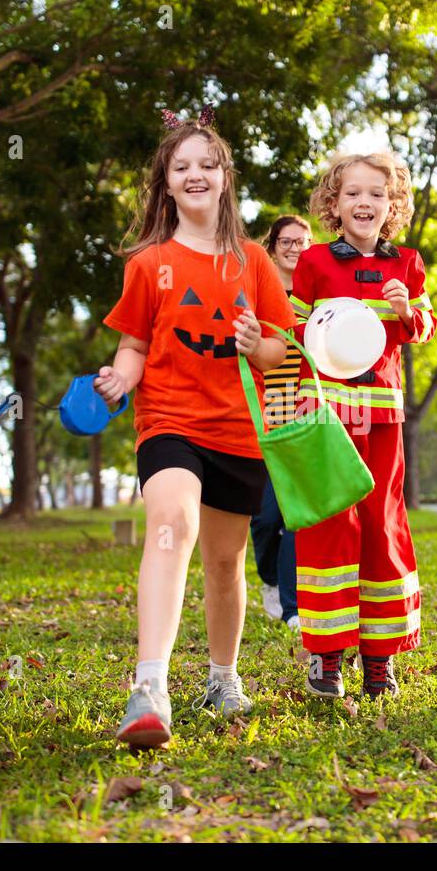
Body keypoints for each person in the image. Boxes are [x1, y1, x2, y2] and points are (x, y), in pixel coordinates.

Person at [95, 108, 295, 748]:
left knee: (224, 561)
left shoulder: (256, 261)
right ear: (167, 182)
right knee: (170, 526)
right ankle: (149, 686)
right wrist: (123, 377)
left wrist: (256, 341)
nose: (196, 174)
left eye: (208, 164)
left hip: (239, 429)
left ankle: (222, 676)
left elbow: (283, 354)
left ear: (225, 177)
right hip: (169, 421)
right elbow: (133, 344)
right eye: (182, 167)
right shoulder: (148, 262)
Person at [290, 151, 437, 700]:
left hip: (383, 414)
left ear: (392, 204)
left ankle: (380, 657)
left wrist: (407, 312)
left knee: (381, 521)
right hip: (327, 409)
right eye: (352, 193)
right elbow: (293, 334)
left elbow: (423, 328)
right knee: (331, 521)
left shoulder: (407, 263)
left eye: (376, 193)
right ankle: (327, 656)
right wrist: (300, 399)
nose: (364, 203)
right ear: (334, 203)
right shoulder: (314, 264)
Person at [249, 215, 313, 631]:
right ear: (272, 247)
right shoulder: (257, 292)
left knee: (293, 516)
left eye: (303, 241)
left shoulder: (318, 294)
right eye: (286, 241)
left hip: (303, 417)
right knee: (264, 517)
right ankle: (269, 578)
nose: (295, 247)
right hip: (259, 413)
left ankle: (292, 607)